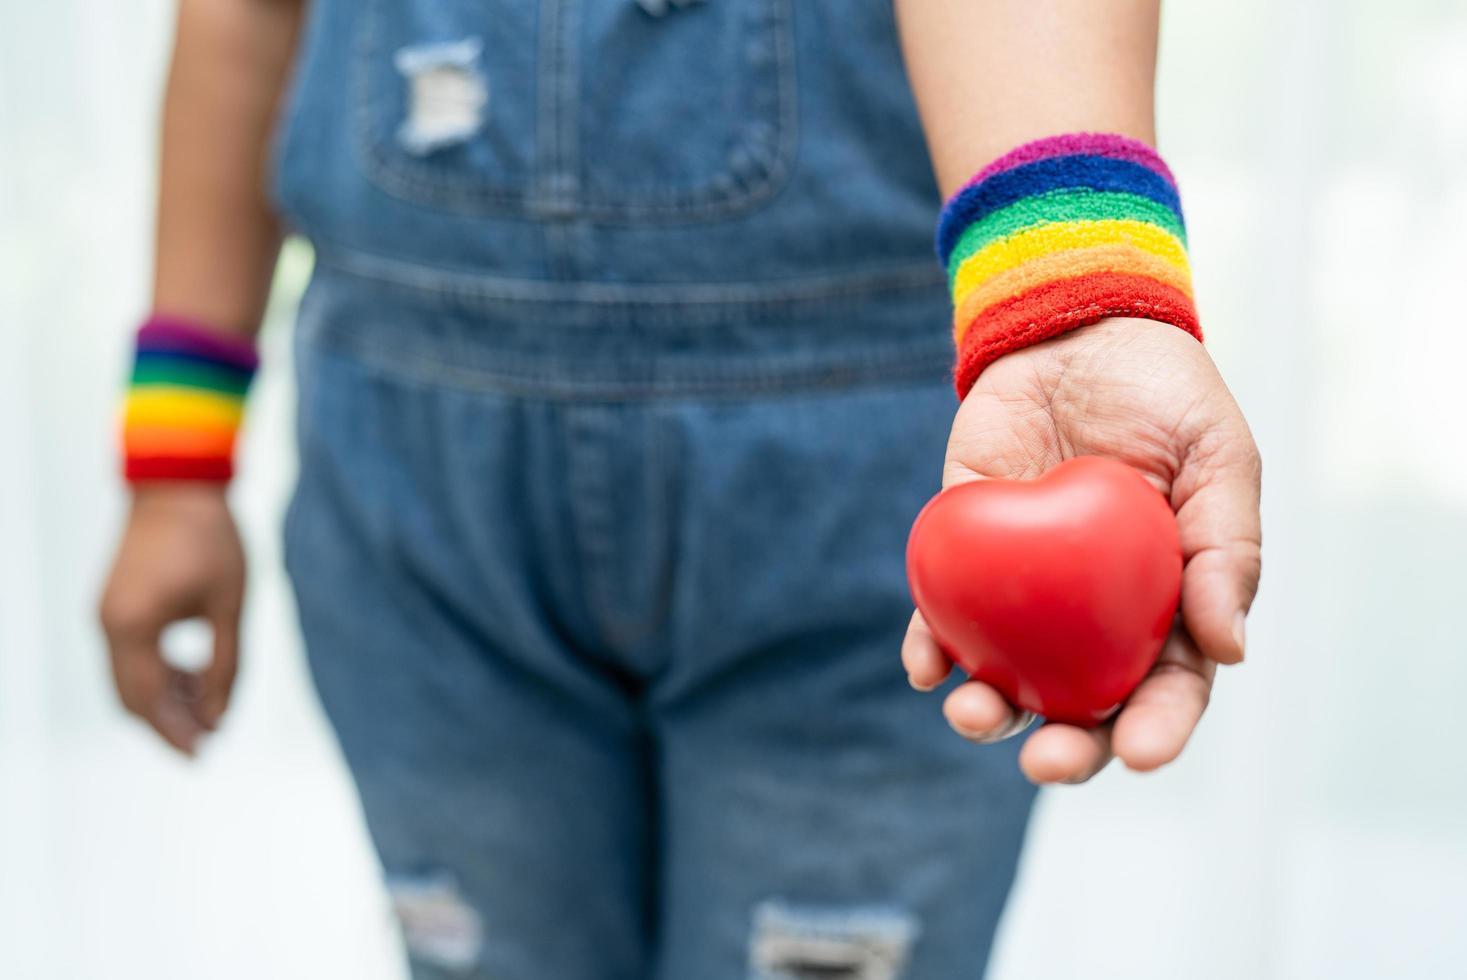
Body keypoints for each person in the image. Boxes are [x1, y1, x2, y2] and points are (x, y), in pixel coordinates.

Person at [99, 1, 1262, 977]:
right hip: (420, 526)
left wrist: (1083, 309)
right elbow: (247, 16)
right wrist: (176, 464)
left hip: (876, 514)